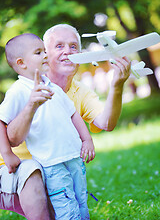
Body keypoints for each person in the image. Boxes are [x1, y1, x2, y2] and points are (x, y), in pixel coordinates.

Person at [0, 24, 131, 218]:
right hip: (18, 170)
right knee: (36, 174)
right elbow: (10, 135)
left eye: (73, 46)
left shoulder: (66, 91)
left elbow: (104, 122)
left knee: (75, 204)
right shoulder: (22, 90)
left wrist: (117, 86)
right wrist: (30, 107)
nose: (67, 52)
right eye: (59, 46)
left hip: (59, 164)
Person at [0, 33, 95, 219]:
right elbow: (1, 120)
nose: (45, 55)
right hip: (51, 162)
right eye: (38, 52)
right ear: (21, 63)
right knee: (65, 204)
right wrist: (7, 154)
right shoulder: (18, 91)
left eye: (44, 51)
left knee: (81, 199)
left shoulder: (54, 87)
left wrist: (87, 139)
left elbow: (73, 114)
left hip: (74, 156)